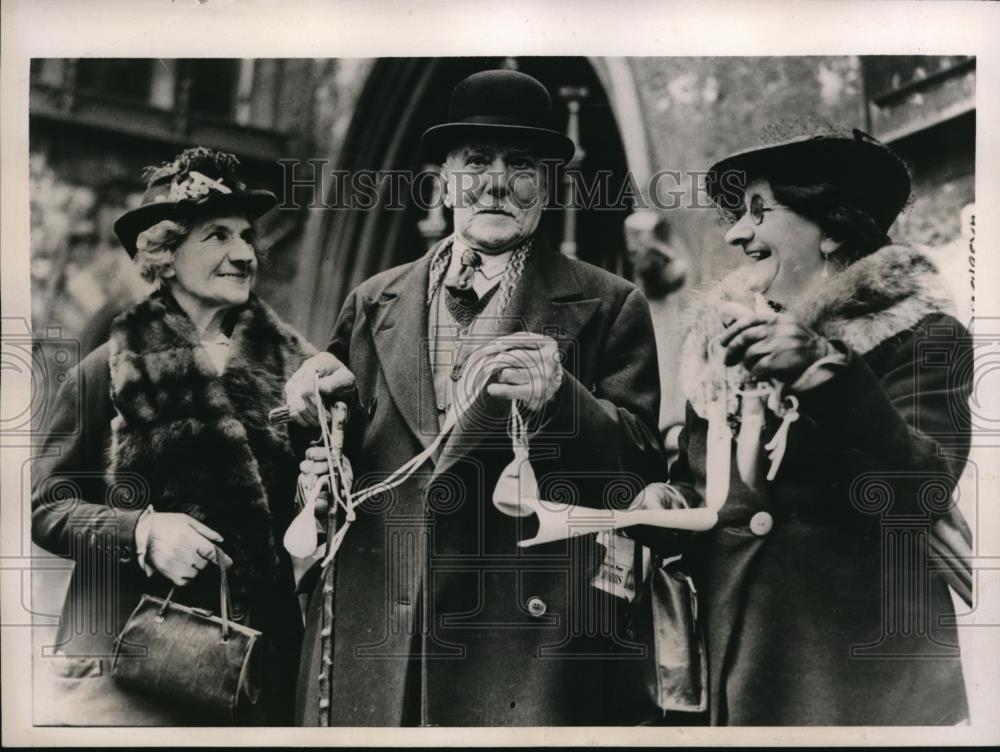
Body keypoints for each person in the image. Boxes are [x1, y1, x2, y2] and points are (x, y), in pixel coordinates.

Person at [286, 69, 668, 726]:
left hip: (518, 648)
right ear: (443, 181)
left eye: (520, 163)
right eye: (477, 161)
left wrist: (561, 402)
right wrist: (307, 427)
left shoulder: (610, 304)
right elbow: (335, 453)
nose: (496, 181)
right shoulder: (372, 300)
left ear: (546, 185)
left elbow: (639, 477)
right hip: (377, 637)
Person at [641, 128, 972, 725]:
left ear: (833, 228)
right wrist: (667, 506)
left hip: (864, 684)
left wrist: (827, 373)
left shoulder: (925, 339)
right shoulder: (719, 351)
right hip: (739, 671)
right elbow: (710, 499)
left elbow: (919, 493)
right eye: (736, 215)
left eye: (757, 212)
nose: (735, 233)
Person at [32, 147, 314, 725]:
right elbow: (46, 507)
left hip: (252, 678)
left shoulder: (300, 375)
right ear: (164, 253)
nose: (243, 254)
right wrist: (143, 530)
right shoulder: (105, 371)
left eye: (246, 236)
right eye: (217, 236)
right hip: (125, 671)